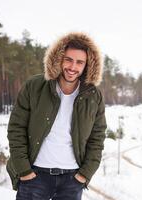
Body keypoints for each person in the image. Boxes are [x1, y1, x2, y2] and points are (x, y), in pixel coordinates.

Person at [6, 32, 107, 200]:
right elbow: (16, 129)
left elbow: (98, 138)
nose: (73, 67)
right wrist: (24, 170)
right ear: (58, 58)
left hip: (72, 180)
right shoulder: (35, 86)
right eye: (68, 59)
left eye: (79, 62)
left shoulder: (93, 96)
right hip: (34, 176)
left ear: (87, 65)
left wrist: (84, 174)